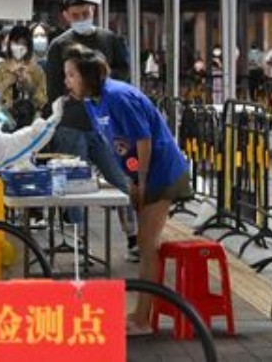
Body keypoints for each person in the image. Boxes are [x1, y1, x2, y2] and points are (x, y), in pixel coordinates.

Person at [63, 45, 192, 335]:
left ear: (87, 76)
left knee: (147, 246)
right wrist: (129, 178)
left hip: (163, 172)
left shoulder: (119, 97)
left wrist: (141, 181)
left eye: (71, 75)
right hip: (142, 173)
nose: (67, 81)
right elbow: (117, 144)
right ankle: (141, 313)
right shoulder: (92, 101)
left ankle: (144, 318)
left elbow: (143, 139)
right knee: (146, 245)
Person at [45, 0, 138, 260]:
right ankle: (79, 239)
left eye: (85, 12)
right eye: (75, 15)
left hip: (106, 125)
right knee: (74, 185)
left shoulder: (110, 39)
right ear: (66, 16)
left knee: (121, 178)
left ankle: (133, 237)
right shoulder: (58, 46)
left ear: (93, 10)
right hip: (71, 126)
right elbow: (53, 89)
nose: (82, 18)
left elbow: (125, 73)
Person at [0, 25, 47, 130]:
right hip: (2, 123)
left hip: (29, 126)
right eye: (16, 43)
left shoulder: (37, 71)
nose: (19, 47)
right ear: (9, 44)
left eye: (23, 43)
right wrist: (6, 83)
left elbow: (42, 102)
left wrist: (29, 85)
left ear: (29, 46)